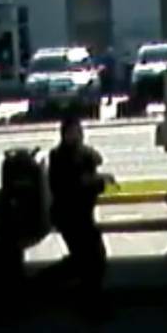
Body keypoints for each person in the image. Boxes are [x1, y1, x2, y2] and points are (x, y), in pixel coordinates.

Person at [48, 115, 117, 291]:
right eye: (75, 132)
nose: (79, 136)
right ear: (65, 134)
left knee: (85, 259)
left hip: (80, 216)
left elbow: (96, 158)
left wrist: (97, 177)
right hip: (71, 217)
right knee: (90, 258)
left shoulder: (78, 152)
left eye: (80, 132)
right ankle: (40, 284)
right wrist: (100, 181)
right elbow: (76, 185)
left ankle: (41, 284)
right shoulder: (61, 157)